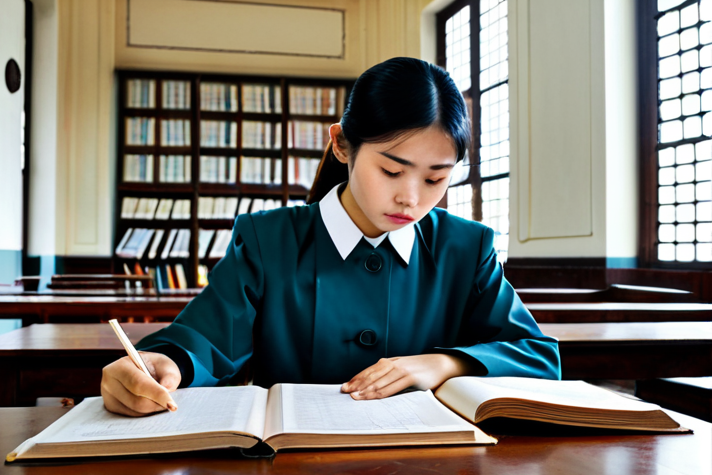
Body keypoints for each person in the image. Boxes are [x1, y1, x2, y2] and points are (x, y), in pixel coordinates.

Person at [101, 57, 561, 417]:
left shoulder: (467, 247)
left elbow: (537, 356)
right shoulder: (267, 238)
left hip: (428, 462)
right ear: (342, 145)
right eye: (391, 170)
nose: (411, 199)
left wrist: (444, 363)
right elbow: (207, 339)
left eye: (436, 179)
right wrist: (167, 365)